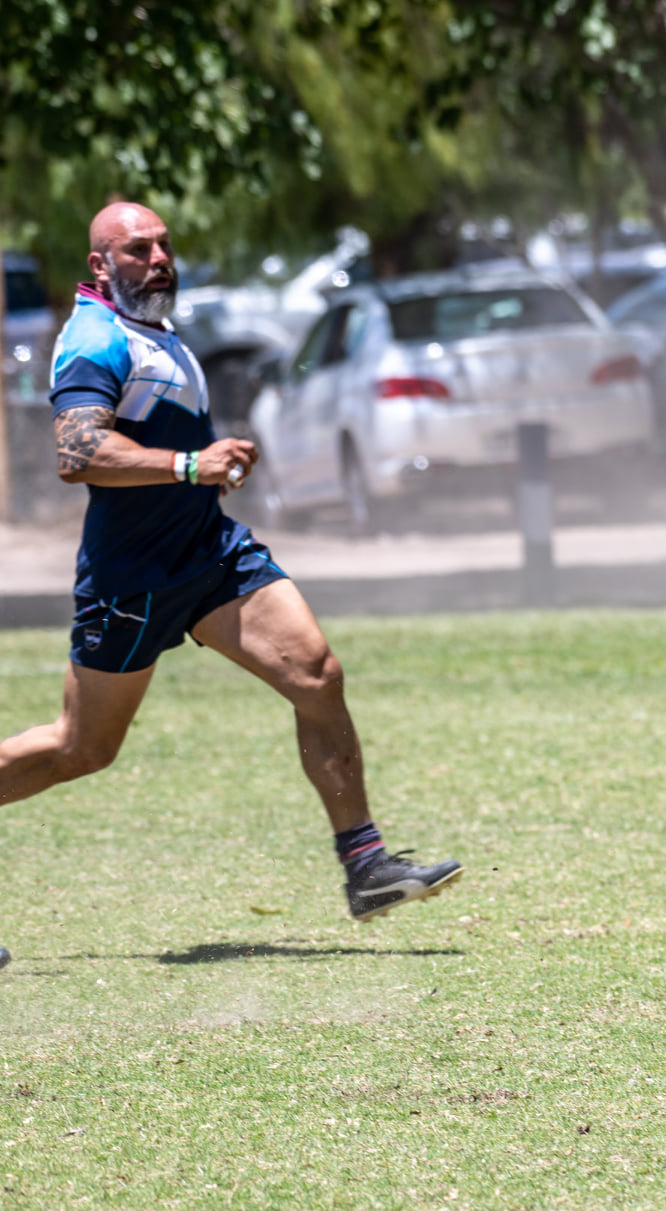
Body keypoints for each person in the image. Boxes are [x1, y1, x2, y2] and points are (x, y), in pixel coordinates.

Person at [0, 202, 463, 925]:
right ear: (99, 265)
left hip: (210, 552)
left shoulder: (153, 329)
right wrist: (191, 463)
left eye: (163, 245)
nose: (158, 260)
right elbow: (78, 452)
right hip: (134, 579)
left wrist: (209, 465)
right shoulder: (93, 340)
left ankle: (366, 864)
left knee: (316, 673)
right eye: (136, 250)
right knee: (81, 748)